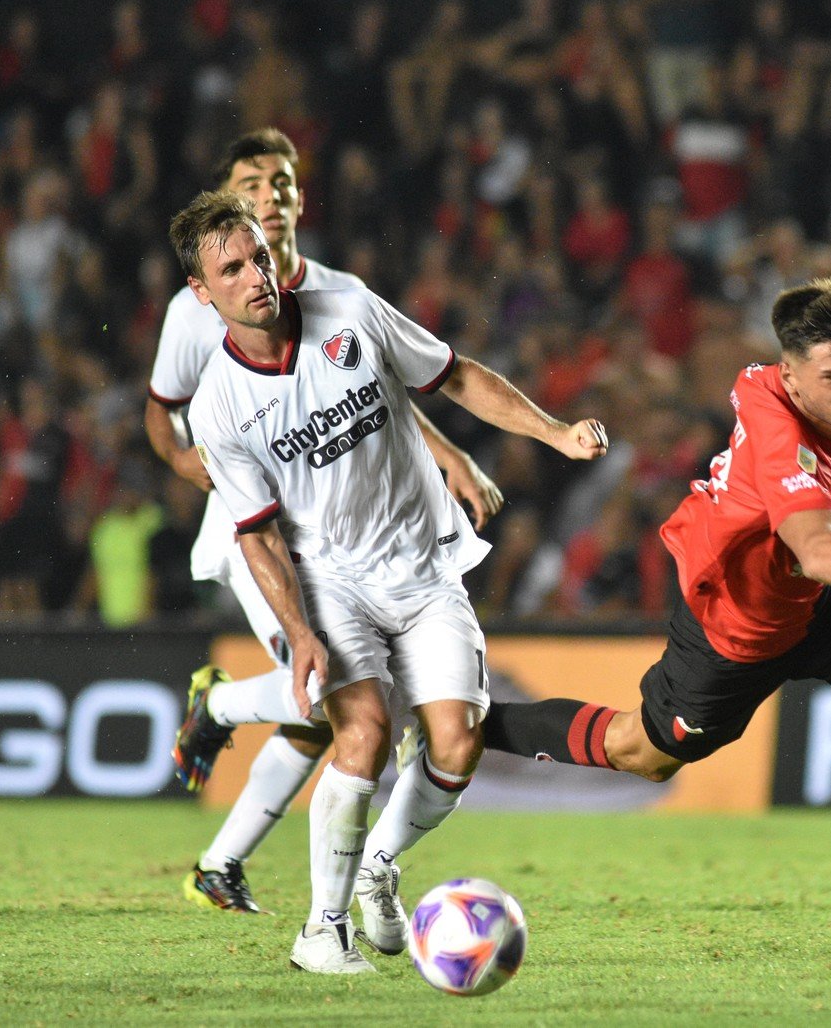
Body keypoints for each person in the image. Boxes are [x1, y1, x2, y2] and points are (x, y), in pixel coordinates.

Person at [169, 189, 608, 972]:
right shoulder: (219, 407)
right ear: (203, 293)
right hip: (330, 578)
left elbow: (454, 376)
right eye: (231, 270)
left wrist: (552, 431)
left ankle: (377, 867)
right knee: (362, 731)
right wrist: (299, 632)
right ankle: (321, 930)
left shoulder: (347, 307)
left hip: (425, 559)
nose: (254, 276)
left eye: (258, 259)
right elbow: (259, 536)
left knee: (456, 743)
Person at [482, 277, 831, 906]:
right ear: (791, 379)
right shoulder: (784, 441)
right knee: (642, 753)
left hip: (819, 600)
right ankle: (474, 724)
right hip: (737, 625)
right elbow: (816, 549)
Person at [146, 129, 503, 917]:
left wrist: (447, 456)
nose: (267, 195)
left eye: (280, 181)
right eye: (250, 182)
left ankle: (219, 864)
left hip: (342, 524)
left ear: (300, 198)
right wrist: (181, 464)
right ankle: (223, 710)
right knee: (332, 699)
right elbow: (160, 412)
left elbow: (383, 394)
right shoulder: (195, 307)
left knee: (330, 716)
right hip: (258, 528)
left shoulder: (336, 292)